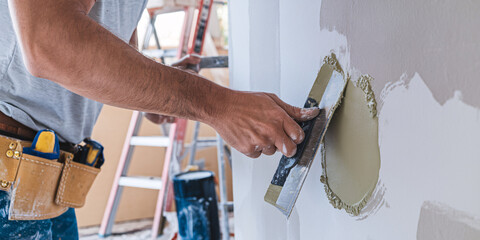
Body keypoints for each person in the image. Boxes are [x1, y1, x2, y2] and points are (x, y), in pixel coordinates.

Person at [0, 0, 320, 238]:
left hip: (45, 184)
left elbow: (111, 39)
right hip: (9, 176)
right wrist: (215, 103)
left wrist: (160, 91)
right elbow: (48, 42)